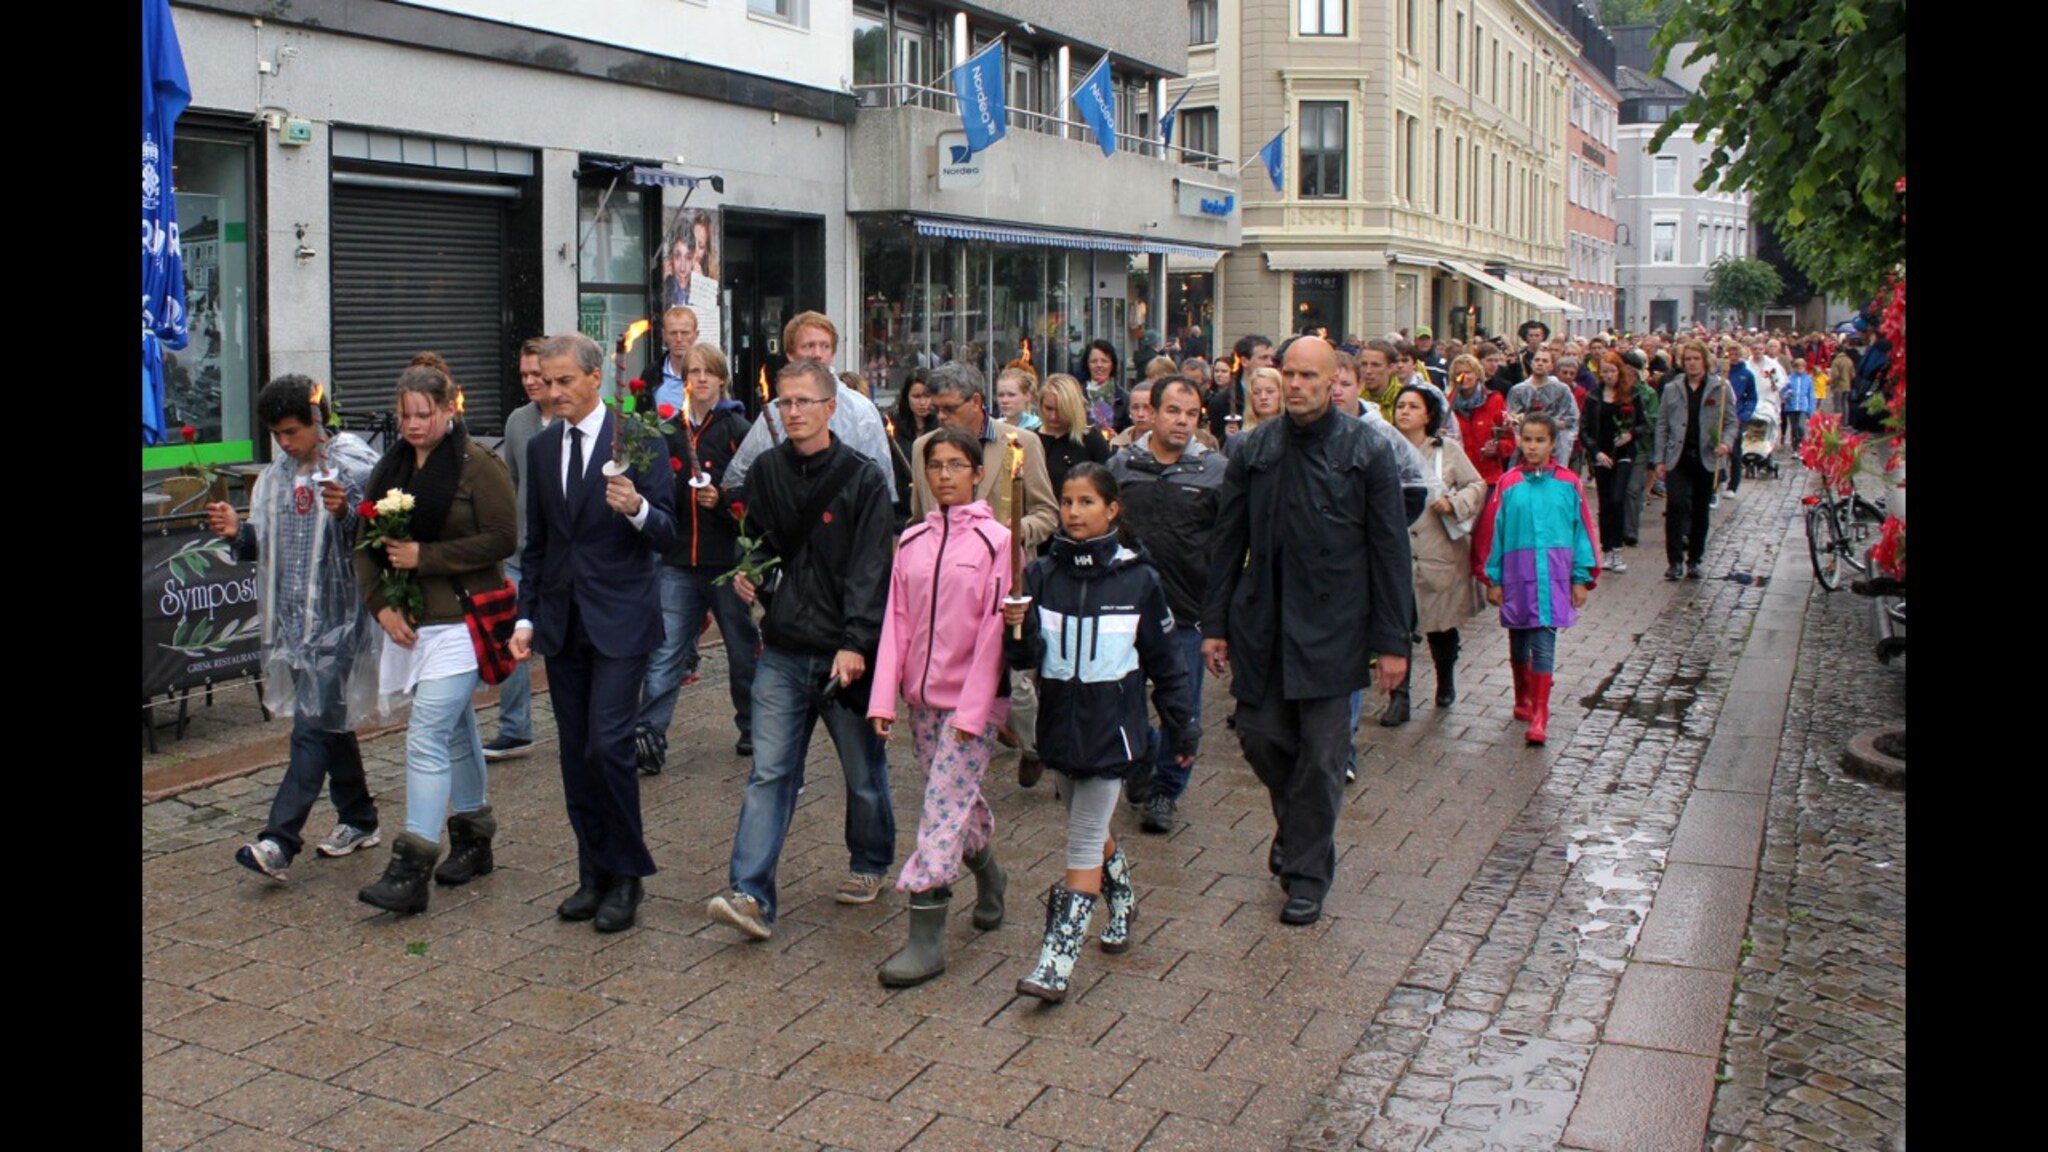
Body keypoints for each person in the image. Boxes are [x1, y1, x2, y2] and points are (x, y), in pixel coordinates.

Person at [1202, 336, 1413, 927]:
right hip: (1263, 621)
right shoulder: (1252, 449)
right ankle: (1300, 833)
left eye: (1307, 377)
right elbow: (1227, 541)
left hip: (1336, 623)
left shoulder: (1367, 450)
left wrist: (1394, 642)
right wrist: (1214, 623)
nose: (1294, 386)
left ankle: (1306, 874)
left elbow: (1390, 550)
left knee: (1322, 757)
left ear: (1332, 383)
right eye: (1287, 374)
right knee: (1261, 737)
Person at [706, 361, 897, 941]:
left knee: (862, 773)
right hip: (785, 648)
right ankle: (750, 893)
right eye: (785, 403)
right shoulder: (765, 470)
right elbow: (763, 546)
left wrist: (856, 643)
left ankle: (870, 862)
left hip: (843, 652)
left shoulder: (863, 479)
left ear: (830, 407)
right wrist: (753, 577)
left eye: (805, 402)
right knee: (770, 772)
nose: (793, 412)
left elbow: (872, 569)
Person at [1002, 463, 1195, 1001]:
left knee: (1083, 838)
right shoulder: (1041, 575)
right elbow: (1026, 659)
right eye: (1066, 502)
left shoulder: (1139, 580)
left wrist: (1183, 734)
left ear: (1112, 509)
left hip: (1114, 733)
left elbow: (1168, 664)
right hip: (1060, 728)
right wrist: (1014, 630)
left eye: (1087, 502)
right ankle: (1126, 900)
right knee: (1083, 817)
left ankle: (1055, 963)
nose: (1073, 512)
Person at [508, 332, 678, 934]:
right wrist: (526, 617)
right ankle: (592, 872)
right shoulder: (541, 445)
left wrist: (635, 508)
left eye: (563, 381)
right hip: (562, 621)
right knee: (575, 754)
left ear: (594, 377)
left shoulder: (636, 439)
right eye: (544, 382)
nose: (551, 393)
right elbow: (539, 544)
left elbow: (668, 532)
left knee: (608, 746)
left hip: (621, 618)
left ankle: (627, 874)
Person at [355, 362, 518, 915]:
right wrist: (379, 605)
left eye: (423, 414)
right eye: (404, 415)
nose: (413, 424)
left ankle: (411, 866)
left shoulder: (478, 467)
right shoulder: (389, 468)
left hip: (464, 621)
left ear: (449, 410)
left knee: (426, 733)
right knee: (454, 730)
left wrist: (428, 558)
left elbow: (502, 537)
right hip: (412, 622)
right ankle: (474, 836)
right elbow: (365, 541)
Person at [213, 376, 383, 883]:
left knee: (310, 725)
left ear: (316, 421)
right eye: (276, 434)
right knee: (328, 723)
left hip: (340, 620)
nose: (285, 443)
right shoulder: (276, 476)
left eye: (291, 431)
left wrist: (348, 512)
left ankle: (278, 840)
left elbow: (381, 532)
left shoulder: (353, 465)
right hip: (293, 621)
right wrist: (238, 533)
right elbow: (267, 542)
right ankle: (359, 817)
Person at [867, 428, 1014, 987]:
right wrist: (884, 698)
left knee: (938, 813)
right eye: (936, 466)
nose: (946, 475)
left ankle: (925, 942)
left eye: (957, 465)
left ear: (978, 472)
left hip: (970, 708)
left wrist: (974, 714)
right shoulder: (910, 542)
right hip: (920, 704)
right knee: (953, 802)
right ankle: (989, 871)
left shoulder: (998, 542)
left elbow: (994, 635)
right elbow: (896, 626)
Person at [909, 362, 1060, 786]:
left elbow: (1047, 513)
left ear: (977, 403)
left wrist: (1012, 535)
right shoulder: (924, 447)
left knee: (1015, 678)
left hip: (1005, 581)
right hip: (948, 589)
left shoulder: (1021, 443)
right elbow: (918, 517)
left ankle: (1032, 745)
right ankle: (967, 743)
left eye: (949, 409)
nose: (940, 418)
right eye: (935, 410)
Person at [1107, 376, 1228, 833]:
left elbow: (1228, 546)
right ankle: (1141, 755)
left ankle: (1165, 791)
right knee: (1122, 701)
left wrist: (1221, 617)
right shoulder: (1122, 465)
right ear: (1152, 413)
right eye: (1174, 411)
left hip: (1187, 612)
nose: (1182, 421)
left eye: (1192, 414)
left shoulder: (1215, 471)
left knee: (1183, 707)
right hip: (1126, 609)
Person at [633, 342, 760, 772]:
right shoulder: (670, 431)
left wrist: (722, 499)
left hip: (726, 562)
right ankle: (649, 735)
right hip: (678, 562)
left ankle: (752, 725)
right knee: (666, 650)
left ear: (722, 379)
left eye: (709, 372)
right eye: (693, 372)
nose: (701, 379)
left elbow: (755, 496)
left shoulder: (740, 430)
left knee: (742, 648)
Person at [1471, 412, 1598, 745]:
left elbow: (1581, 530)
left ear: (1552, 443)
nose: (1533, 446)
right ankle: (1522, 695)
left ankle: (1541, 712)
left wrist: (1580, 577)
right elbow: (1493, 533)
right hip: (1517, 574)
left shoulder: (1568, 482)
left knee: (1544, 641)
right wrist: (1493, 578)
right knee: (1519, 642)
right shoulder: (1509, 483)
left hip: (1554, 574)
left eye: (1540, 440)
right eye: (1527, 439)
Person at [1388, 385, 1485, 721]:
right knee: (1398, 624)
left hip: (1438, 549)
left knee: (1441, 626)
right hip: (1398, 549)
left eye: (1413, 406)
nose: (1404, 412)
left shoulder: (1446, 450)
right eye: (1400, 405)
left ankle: (1445, 680)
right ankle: (1399, 698)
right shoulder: (1384, 448)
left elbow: (1476, 484)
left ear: (1427, 414)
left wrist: (1455, 504)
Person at [723, 312, 893, 489]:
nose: (817, 354)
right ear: (790, 353)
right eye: (808, 346)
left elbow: (880, 483)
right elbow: (738, 478)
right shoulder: (775, 411)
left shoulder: (860, 410)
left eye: (825, 346)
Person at [484, 339, 551, 762]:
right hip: (520, 552)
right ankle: (515, 728)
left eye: (536, 375)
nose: (528, 382)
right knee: (511, 634)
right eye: (523, 374)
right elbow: (511, 481)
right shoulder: (517, 422)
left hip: (564, 555)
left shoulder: (570, 418)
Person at [1654, 340, 1739, 581]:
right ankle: (1675, 561)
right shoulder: (1673, 388)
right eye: (1687, 359)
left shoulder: (1719, 388)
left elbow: (1732, 421)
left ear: (1704, 361)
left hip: (1707, 457)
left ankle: (1695, 558)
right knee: (1676, 506)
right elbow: (1662, 425)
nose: (1691, 363)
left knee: (1701, 510)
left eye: (1695, 359)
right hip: (1678, 457)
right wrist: (1659, 459)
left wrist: (1726, 443)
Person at [1581, 353, 1651, 573]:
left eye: (1612, 371)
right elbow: (1585, 430)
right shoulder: (1594, 396)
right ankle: (1606, 547)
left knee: (1617, 498)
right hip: (1601, 455)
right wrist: (1596, 452)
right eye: (1605, 371)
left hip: (1623, 453)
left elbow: (1643, 424)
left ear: (1619, 371)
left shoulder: (1631, 395)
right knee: (1605, 502)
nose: (1609, 376)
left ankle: (1617, 548)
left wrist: (1630, 435)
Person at [1035, 373, 1115, 508]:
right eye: (1048, 408)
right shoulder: (1033, 440)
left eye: (1061, 410)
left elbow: (1109, 486)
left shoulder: (1091, 439)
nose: (1053, 416)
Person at [1505, 348, 1580, 468]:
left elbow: (1571, 419)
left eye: (1545, 361)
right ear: (1532, 363)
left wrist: (1553, 425)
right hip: (1524, 448)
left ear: (1552, 366)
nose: (1540, 363)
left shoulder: (1561, 390)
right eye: (1537, 360)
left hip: (1555, 447)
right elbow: (1512, 419)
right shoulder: (1518, 391)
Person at [1449, 353, 1510, 490]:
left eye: (1468, 372)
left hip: (1489, 479)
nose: (1464, 377)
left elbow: (1510, 438)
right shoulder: (1448, 406)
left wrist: (1497, 447)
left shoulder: (1494, 400)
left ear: (1478, 375)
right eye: (1459, 373)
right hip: (1459, 480)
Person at [889, 367, 937, 521]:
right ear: (907, 397)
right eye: (916, 396)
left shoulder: (941, 426)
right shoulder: (894, 427)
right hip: (900, 509)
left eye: (927, 396)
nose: (922, 403)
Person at [650, 307, 701, 417]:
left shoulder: (711, 374)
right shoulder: (652, 373)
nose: (679, 339)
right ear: (664, 335)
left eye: (685, 333)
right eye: (673, 333)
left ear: (696, 334)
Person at [1224, 365, 1284, 456]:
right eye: (1257, 392)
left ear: (1281, 394)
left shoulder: (1294, 437)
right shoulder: (1239, 440)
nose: (1263, 397)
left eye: (1270, 391)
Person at [1082, 339, 1129, 432]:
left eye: (1104, 361)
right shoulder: (1077, 395)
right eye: (1094, 361)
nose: (1099, 365)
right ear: (1087, 365)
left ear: (1112, 364)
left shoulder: (1124, 398)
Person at [1107, 378, 1156, 450]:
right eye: (1135, 407)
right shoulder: (1115, 445)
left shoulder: (1168, 445)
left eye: (1147, 407)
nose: (1140, 414)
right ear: (1129, 410)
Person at [995, 366, 1042, 431]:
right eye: (1000, 395)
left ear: (1027, 396)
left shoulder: (1038, 427)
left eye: (1011, 395)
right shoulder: (993, 427)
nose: (1004, 400)